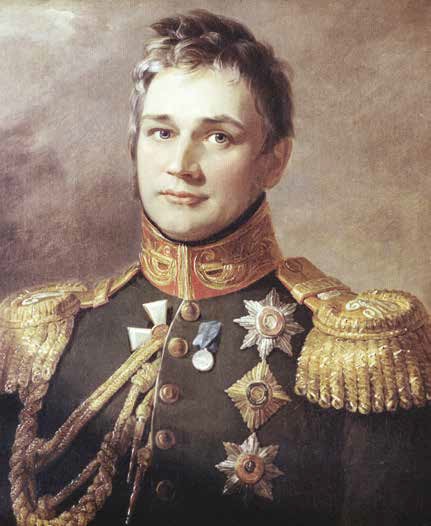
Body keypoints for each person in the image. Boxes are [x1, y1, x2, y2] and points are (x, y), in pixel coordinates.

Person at [0, 9, 430, 526]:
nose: (181, 165)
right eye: (162, 132)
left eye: (219, 137)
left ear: (273, 161)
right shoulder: (46, 337)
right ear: (134, 145)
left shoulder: (358, 352)